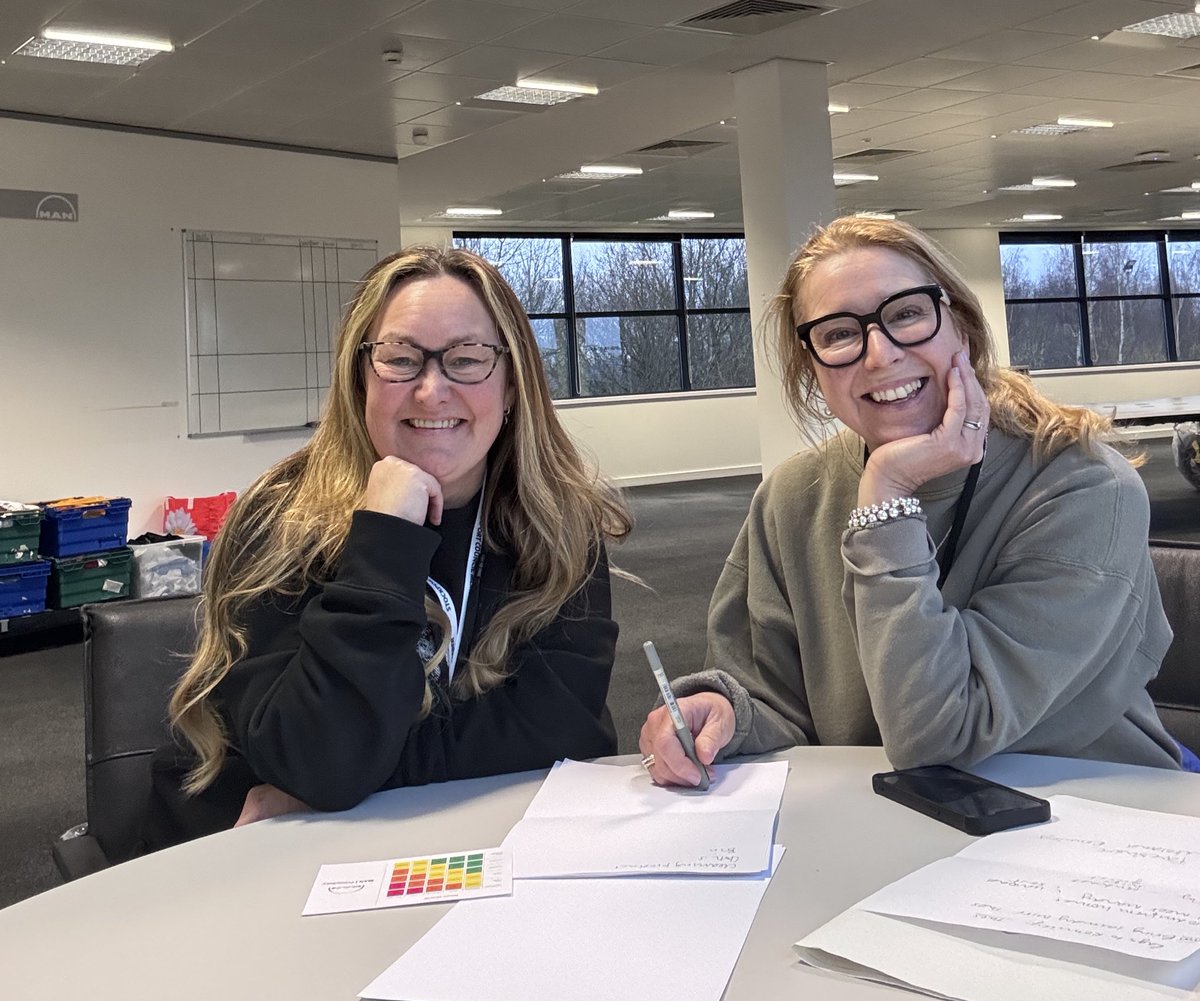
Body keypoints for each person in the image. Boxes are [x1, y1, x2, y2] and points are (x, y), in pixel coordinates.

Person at [640, 215, 1189, 787]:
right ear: (814, 371)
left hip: (1088, 820)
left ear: (963, 328)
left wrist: (887, 501)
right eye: (838, 334)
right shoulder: (791, 497)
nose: (879, 354)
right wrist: (729, 714)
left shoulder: (1082, 486)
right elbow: (776, 697)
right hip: (879, 823)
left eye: (906, 314)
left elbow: (941, 732)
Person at [143, 246, 632, 847]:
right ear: (359, 379)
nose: (431, 391)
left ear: (511, 386)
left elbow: (559, 736)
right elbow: (319, 758)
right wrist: (386, 542)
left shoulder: (558, 523)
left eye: (467, 359)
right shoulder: (282, 518)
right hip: (294, 859)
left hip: (498, 843)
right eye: (400, 360)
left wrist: (365, 780)